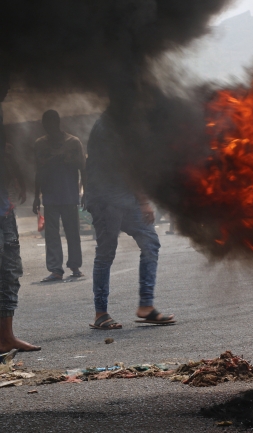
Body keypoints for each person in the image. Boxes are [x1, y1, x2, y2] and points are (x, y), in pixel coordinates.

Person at [85, 111, 174, 330]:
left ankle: (145, 305)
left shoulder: (111, 123)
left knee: (150, 242)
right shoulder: (112, 127)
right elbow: (128, 167)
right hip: (108, 200)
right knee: (106, 253)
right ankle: (101, 314)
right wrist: (144, 201)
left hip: (121, 198)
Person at [0, 67, 40, 352]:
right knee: (7, 270)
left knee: (9, 271)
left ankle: (5, 338)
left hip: (3, 206)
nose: (8, 88)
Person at [32, 110, 85, 282]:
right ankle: (56, 269)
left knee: (72, 232)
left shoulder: (73, 142)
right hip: (50, 195)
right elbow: (38, 172)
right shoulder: (40, 144)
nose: (48, 127)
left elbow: (82, 169)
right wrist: (36, 196)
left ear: (58, 123)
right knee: (51, 234)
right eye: (45, 124)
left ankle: (75, 266)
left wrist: (86, 192)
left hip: (69, 194)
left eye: (51, 123)